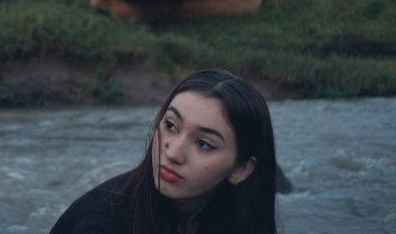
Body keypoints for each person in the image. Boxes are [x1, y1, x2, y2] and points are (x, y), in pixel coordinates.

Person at [50, 69, 277, 234]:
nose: (173, 153)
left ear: (241, 168)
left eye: (203, 144)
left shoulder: (237, 217)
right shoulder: (103, 223)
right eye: (170, 126)